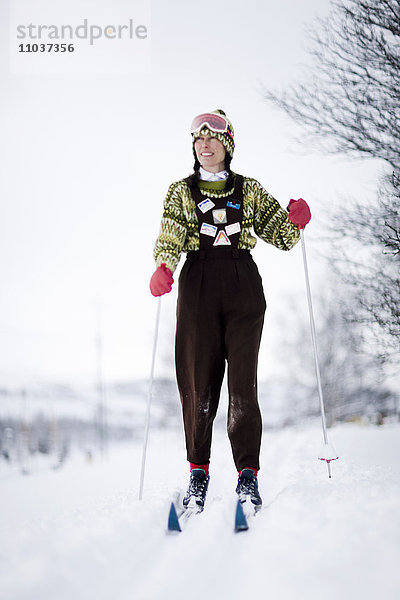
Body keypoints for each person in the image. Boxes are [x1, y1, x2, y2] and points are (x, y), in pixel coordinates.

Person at [150, 109, 310, 511]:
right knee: (198, 383)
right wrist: (164, 266)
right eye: (198, 139)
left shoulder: (249, 190)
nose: (205, 145)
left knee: (243, 384)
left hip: (242, 286)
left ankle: (247, 477)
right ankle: (198, 473)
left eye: (213, 138)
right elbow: (169, 234)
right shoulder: (180, 192)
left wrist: (296, 220)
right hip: (198, 286)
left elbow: (283, 235)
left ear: (228, 145)